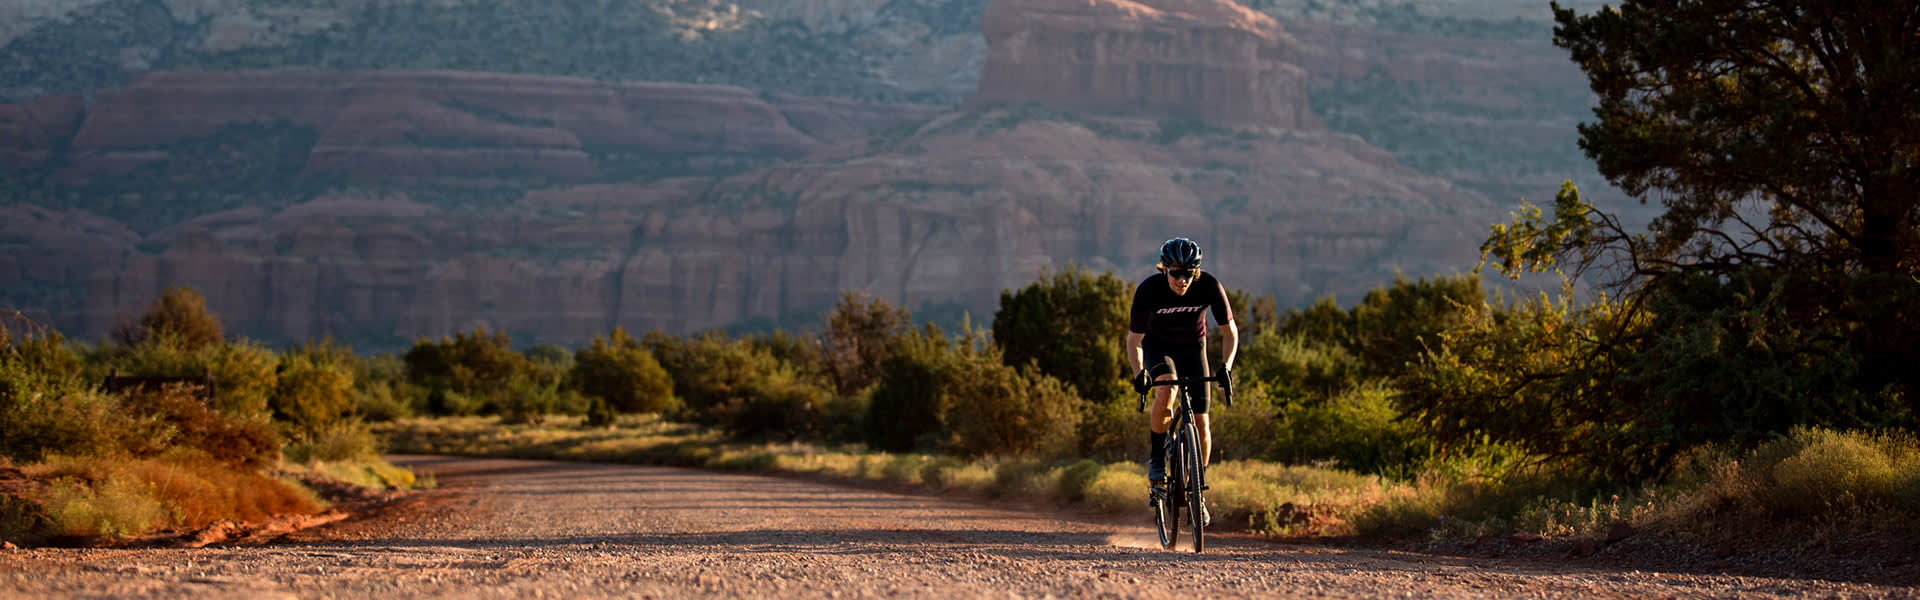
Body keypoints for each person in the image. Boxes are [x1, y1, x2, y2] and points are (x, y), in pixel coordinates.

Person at [1124, 237, 1237, 526]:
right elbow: (1134, 341)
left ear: (1196, 272)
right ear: (1164, 270)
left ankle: (1197, 490)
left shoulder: (1209, 286)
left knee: (1202, 422)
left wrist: (1226, 366)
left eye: (1189, 273)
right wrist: (1139, 373)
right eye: (1176, 273)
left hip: (1193, 348)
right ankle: (1157, 460)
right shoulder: (1149, 290)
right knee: (1168, 387)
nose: (1182, 280)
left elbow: (1230, 333)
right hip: (1158, 347)